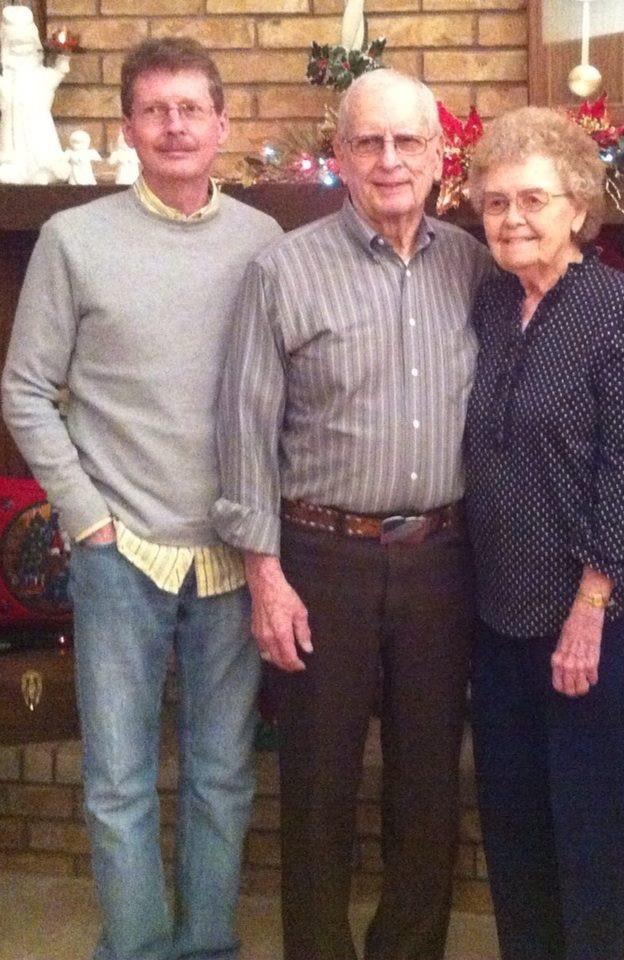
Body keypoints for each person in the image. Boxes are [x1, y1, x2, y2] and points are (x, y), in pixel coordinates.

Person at [2, 37, 282, 960]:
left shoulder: (261, 243)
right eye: (153, 110)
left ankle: (206, 943)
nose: (173, 126)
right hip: (117, 554)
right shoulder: (73, 241)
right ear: (127, 127)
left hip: (234, 554)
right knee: (118, 781)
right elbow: (27, 391)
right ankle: (136, 946)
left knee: (221, 776)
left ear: (221, 125)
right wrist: (88, 516)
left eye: (190, 109)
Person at [213, 68, 492, 960]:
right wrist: (265, 576)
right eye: (368, 141)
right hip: (320, 556)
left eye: (407, 140)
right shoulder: (284, 271)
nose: (388, 159)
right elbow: (244, 431)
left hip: (444, 557)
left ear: (438, 154)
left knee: (427, 783)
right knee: (318, 782)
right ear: (338, 157)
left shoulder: (476, 266)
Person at [463, 106, 624, 960]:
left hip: (589, 620)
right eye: (496, 200)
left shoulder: (614, 305)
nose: (513, 218)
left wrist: (592, 601)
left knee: (587, 827)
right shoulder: (492, 303)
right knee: (511, 820)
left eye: (533, 200)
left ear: (578, 207)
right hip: (497, 611)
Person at [0, 4, 70, 183]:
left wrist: (63, 60)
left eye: (24, 44)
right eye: (15, 44)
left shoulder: (39, 75)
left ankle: (44, 169)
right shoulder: (7, 78)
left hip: (38, 123)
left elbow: (52, 78)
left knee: (42, 150)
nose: (20, 49)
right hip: (12, 129)